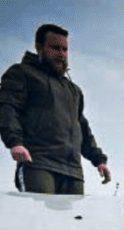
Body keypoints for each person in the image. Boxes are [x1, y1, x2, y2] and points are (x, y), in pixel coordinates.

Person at [0, 24, 110, 194]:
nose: (61, 54)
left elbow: (82, 128)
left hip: (73, 172)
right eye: (55, 48)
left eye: (65, 49)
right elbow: (7, 108)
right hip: (38, 164)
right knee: (41, 218)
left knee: (74, 221)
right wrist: (15, 142)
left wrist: (99, 160)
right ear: (39, 48)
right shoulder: (22, 73)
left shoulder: (74, 90)